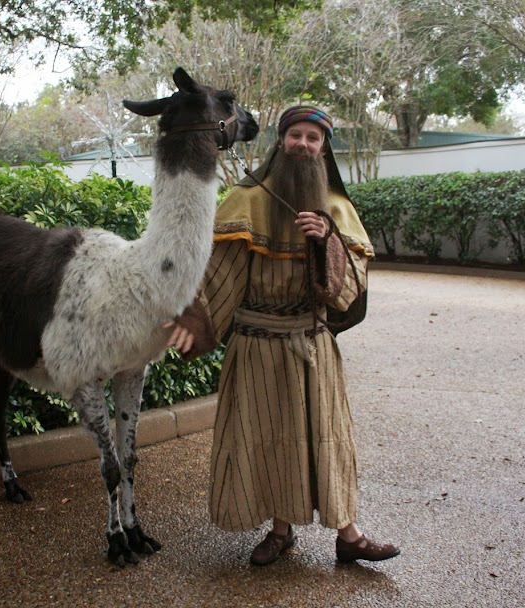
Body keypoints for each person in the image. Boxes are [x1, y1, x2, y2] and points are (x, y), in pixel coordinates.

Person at [167, 105, 400, 566]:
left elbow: (350, 288)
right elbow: (218, 274)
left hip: (312, 343)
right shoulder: (248, 200)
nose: (303, 145)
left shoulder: (337, 209)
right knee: (267, 437)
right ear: (281, 141)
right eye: (296, 135)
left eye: (314, 138)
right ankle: (279, 530)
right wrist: (189, 321)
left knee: (326, 437)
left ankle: (349, 535)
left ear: (323, 149)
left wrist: (327, 241)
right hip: (257, 344)